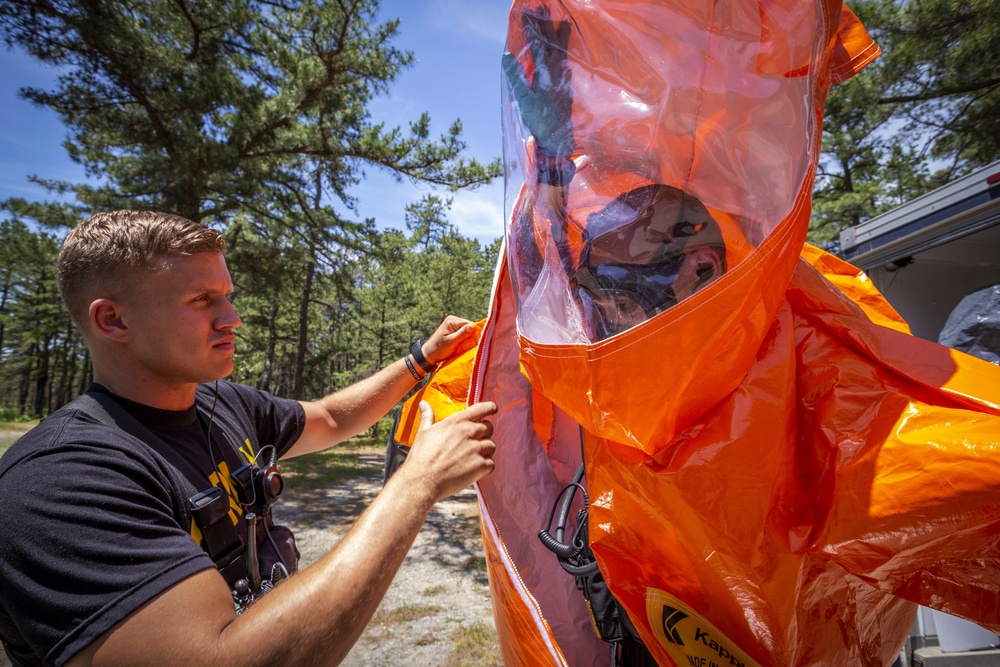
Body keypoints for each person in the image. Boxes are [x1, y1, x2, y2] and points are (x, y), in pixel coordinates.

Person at [0, 209, 498, 667]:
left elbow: (328, 417)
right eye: (202, 300)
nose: (232, 317)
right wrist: (415, 485)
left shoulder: (223, 403)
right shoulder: (60, 479)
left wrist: (421, 360)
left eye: (227, 295)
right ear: (114, 319)